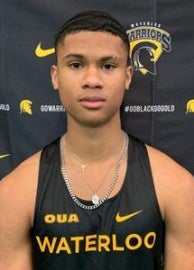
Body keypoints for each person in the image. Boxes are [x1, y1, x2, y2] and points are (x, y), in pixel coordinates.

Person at [0, 10, 194, 270]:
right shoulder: (14, 193)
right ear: (55, 76)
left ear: (127, 77)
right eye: (76, 64)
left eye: (108, 65)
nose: (92, 80)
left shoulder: (177, 186)